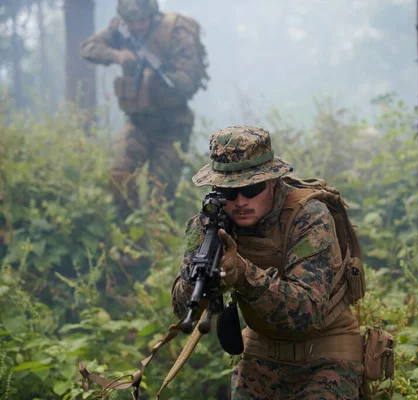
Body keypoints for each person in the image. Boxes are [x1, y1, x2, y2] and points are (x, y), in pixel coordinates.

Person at [171, 125, 365, 399]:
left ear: (272, 181)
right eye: (228, 192)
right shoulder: (207, 225)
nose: (240, 201)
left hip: (325, 353)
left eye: (251, 188)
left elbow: (307, 312)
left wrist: (243, 274)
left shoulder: (308, 216)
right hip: (261, 353)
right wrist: (200, 280)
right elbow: (181, 308)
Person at [80, 0, 209, 219]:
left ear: (152, 14)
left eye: (141, 20)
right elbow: (89, 48)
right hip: (138, 123)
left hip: (172, 127)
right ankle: (129, 241)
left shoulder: (176, 32)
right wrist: (118, 56)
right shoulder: (120, 29)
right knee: (119, 179)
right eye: (131, 22)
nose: (137, 26)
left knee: (160, 197)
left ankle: (158, 243)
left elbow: (190, 80)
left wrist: (159, 77)